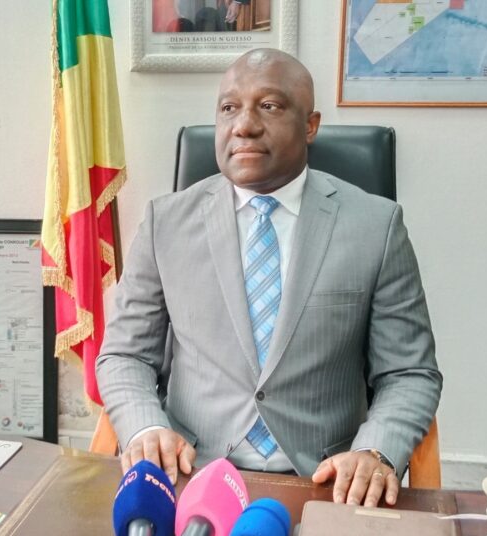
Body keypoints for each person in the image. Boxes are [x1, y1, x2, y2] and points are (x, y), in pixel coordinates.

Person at [96, 48, 442, 508]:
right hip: (191, 473)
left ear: (310, 125)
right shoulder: (166, 223)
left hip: (326, 483)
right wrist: (146, 426)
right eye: (229, 108)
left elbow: (409, 372)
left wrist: (374, 450)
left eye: (269, 106)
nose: (244, 125)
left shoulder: (376, 226)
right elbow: (124, 354)